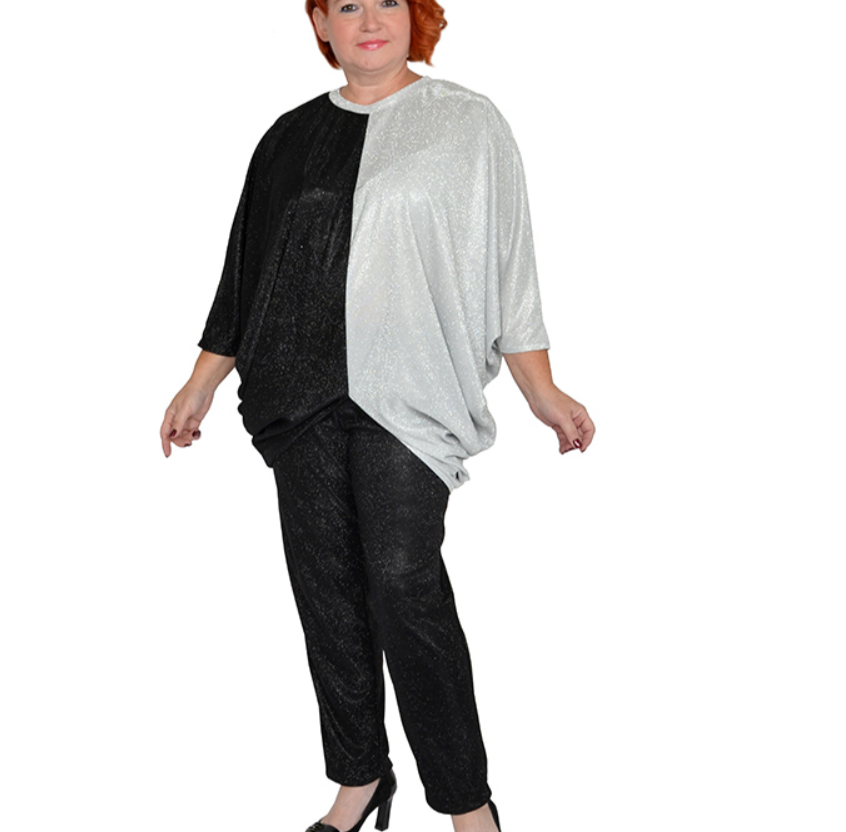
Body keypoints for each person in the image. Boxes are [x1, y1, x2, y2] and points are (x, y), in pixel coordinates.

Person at [160, 1, 596, 830]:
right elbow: (246, 272)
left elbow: (510, 264)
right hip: (297, 393)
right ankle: (358, 780)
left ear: (416, 15)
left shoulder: (467, 124)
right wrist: (200, 382)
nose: (370, 18)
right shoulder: (287, 138)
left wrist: (542, 390)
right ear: (321, 25)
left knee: (404, 582)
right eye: (347, 4)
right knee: (326, 593)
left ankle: (468, 806)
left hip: (410, 392)